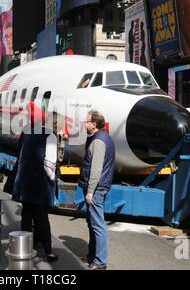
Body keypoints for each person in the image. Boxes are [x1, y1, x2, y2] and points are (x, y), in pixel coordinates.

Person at [11, 111, 60, 262]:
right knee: (42, 218)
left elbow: (21, 156)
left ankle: (25, 247)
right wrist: (52, 178)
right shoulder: (50, 135)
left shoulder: (28, 133)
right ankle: (49, 251)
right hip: (40, 184)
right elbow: (48, 163)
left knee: (26, 216)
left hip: (26, 183)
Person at [79, 110, 115, 270]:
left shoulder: (99, 141)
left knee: (98, 225)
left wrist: (90, 191)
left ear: (94, 124)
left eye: (86, 122)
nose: (84, 124)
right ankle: (92, 256)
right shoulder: (102, 137)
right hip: (98, 187)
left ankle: (100, 262)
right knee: (92, 223)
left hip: (96, 188)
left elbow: (96, 169)